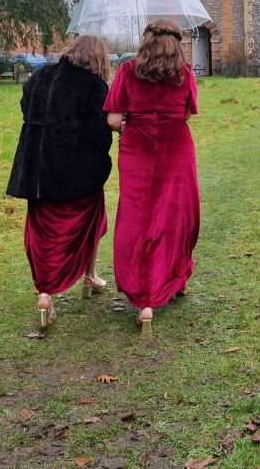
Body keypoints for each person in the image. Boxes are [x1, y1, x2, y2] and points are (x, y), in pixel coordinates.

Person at [6, 35, 113, 329]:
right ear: (98, 60)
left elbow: (26, 107)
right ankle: (81, 279)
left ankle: (50, 291)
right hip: (76, 175)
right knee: (91, 217)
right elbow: (100, 134)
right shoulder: (94, 86)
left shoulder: (39, 76)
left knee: (42, 233)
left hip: (36, 173)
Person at [103, 20, 200, 334]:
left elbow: (113, 120)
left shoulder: (127, 71)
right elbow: (186, 114)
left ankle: (143, 296)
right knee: (174, 216)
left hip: (137, 150)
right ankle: (173, 280)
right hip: (176, 149)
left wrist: (133, 120)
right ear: (176, 44)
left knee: (138, 217)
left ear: (146, 42)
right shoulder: (185, 73)